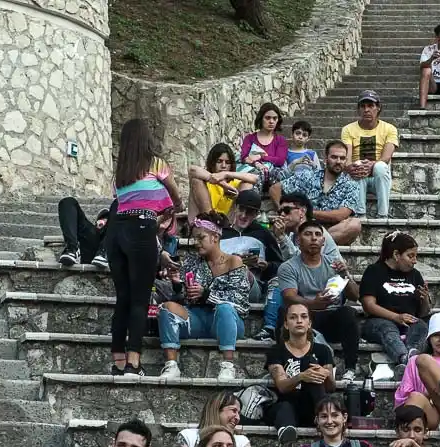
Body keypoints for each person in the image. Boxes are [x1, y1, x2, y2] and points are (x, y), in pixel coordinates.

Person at [107, 119, 184, 377]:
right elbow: (174, 196)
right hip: (141, 230)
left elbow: (127, 200)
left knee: (123, 299)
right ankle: (133, 363)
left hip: (116, 232)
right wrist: (174, 208)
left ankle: (117, 362)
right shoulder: (156, 164)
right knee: (140, 300)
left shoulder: (121, 173)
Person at [157, 215, 251, 382]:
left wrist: (207, 294)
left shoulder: (234, 261)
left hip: (229, 321)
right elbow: (182, 298)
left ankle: (228, 365)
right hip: (198, 318)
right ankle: (171, 365)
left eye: (201, 238)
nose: (196, 242)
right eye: (194, 239)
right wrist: (178, 285)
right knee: (167, 307)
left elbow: (239, 300)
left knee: (224, 308)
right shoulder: (191, 262)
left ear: (215, 237)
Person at [278, 220, 361, 382]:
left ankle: (351, 368)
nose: (314, 239)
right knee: (284, 314)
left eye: (318, 235)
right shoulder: (288, 267)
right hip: (306, 317)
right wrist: (313, 304)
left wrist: (345, 275)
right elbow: (289, 296)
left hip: (331, 318)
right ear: (298, 241)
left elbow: (355, 296)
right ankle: (287, 365)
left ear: (323, 241)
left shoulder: (334, 264)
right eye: (308, 234)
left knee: (349, 313)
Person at [262, 193, 344, 339]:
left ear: (302, 211)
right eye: (279, 212)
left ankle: (269, 327)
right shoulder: (294, 236)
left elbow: (305, 262)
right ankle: (271, 327)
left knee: (277, 283)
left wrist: (281, 238)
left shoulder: (317, 233)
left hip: (325, 288)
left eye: (286, 211)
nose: (282, 215)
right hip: (305, 287)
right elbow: (293, 266)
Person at [361, 231, 431, 381]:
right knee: (388, 328)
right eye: (410, 256)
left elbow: (424, 312)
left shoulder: (415, 274)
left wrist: (424, 299)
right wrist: (396, 317)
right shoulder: (374, 271)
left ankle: (410, 356)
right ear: (396, 255)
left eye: (415, 256)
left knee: (422, 325)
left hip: (408, 322)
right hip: (378, 321)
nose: (415, 261)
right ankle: (406, 359)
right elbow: (368, 305)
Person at [265, 303, 337, 442]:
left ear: (309, 323)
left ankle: (324, 422)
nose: (299, 320)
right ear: (286, 324)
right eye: (293, 317)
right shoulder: (276, 351)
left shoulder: (322, 350)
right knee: (284, 407)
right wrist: (302, 376)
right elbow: (282, 386)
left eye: (303, 317)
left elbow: (331, 388)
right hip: (288, 404)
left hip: (314, 406)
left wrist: (326, 374)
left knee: (312, 366)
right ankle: (287, 431)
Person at [271, 140, 365, 246]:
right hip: (303, 227)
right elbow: (275, 188)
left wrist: (306, 211)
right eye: (334, 157)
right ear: (325, 159)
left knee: (355, 224)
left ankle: (310, 243)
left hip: (331, 231)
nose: (338, 161)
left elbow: (340, 215)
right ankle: (307, 241)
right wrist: (283, 210)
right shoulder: (307, 176)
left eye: (342, 158)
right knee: (292, 215)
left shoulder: (351, 185)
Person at [167, 392, 258, 447]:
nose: (238, 418)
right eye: (234, 411)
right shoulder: (187, 435)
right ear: (216, 409)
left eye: (239, 413)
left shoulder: (241, 440)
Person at [341, 91, 399, 220]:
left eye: (370, 106)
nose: (366, 110)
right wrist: (351, 167)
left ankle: (383, 214)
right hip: (357, 179)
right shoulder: (348, 130)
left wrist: (372, 164)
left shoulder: (390, 129)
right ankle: (361, 214)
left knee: (380, 166)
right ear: (358, 109)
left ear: (378, 108)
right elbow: (347, 159)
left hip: (380, 177)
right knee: (358, 165)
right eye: (363, 106)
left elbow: (386, 157)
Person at [186, 143, 260, 225]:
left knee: (247, 184)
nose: (223, 166)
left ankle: (230, 227)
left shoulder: (235, 183)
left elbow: (255, 178)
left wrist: (226, 174)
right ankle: (210, 222)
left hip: (228, 221)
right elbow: (192, 169)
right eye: (219, 161)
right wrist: (223, 184)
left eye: (227, 162)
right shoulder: (206, 180)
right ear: (212, 163)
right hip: (204, 222)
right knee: (196, 181)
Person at [240, 103, 289, 192]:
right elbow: (244, 158)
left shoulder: (280, 140)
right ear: (261, 119)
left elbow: (280, 161)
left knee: (278, 173)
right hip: (255, 174)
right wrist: (257, 163)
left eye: (275, 118)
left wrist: (261, 157)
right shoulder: (250, 138)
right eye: (267, 118)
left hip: (274, 176)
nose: (271, 121)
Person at [56, 198, 108, 269]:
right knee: (68, 202)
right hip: (93, 243)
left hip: (112, 245)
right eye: (102, 218)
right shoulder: (94, 231)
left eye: (107, 219)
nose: (104, 222)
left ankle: (104, 253)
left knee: (117, 212)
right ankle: (72, 249)